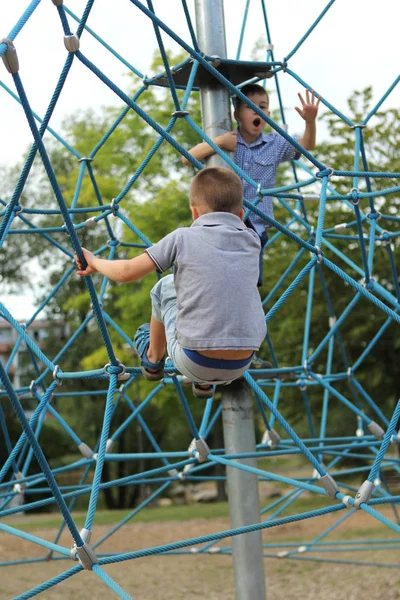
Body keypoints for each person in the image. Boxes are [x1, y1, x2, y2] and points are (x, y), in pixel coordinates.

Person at [76, 167, 266, 398]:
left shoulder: (183, 237)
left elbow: (126, 272)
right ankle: (204, 385)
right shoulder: (252, 240)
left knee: (164, 286)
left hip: (194, 362)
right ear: (241, 214)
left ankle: (154, 358)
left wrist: (94, 262)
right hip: (242, 364)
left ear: (195, 213)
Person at [182, 84, 320, 285]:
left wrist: (310, 122)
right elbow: (187, 158)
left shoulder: (275, 144)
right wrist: (220, 142)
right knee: (216, 280)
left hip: (253, 227)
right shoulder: (228, 141)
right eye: (249, 106)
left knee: (247, 284)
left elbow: (306, 145)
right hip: (222, 222)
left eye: (262, 107)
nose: (257, 110)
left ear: (268, 114)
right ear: (237, 114)